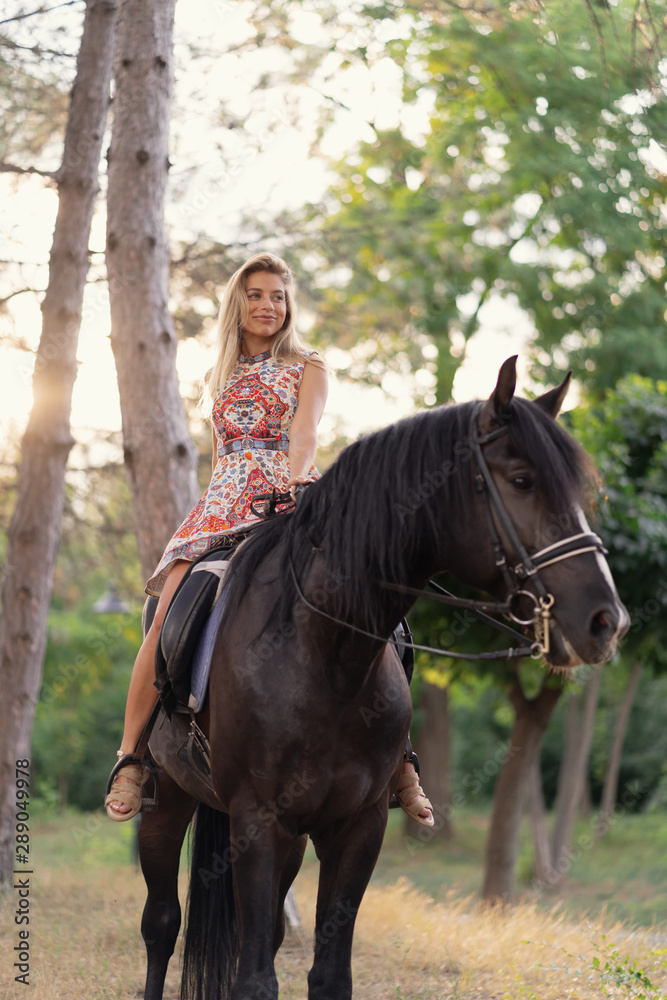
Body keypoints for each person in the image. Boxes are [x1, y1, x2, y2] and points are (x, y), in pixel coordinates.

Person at [105, 252, 433, 828]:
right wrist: (214, 511)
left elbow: (303, 434)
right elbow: (220, 457)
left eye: (278, 296)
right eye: (256, 295)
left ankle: (400, 761)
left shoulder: (309, 365)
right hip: (222, 507)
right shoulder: (220, 375)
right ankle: (132, 758)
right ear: (239, 303)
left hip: (293, 497)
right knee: (163, 622)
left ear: (289, 305)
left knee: (379, 609)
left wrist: (292, 485)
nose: (268, 306)